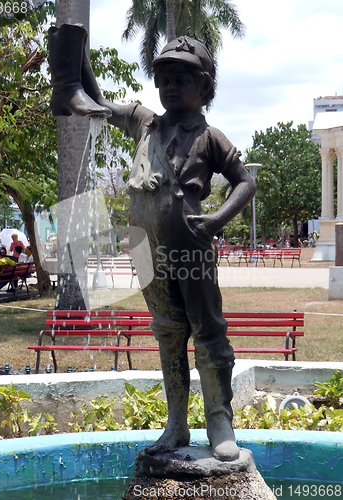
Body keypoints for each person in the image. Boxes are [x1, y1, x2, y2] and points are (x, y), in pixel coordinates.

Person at [48, 27, 255, 462]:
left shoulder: (210, 136)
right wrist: (75, 54)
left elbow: (245, 182)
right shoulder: (145, 123)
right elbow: (98, 104)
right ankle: (176, 425)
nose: (170, 87)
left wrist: (217, 220)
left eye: (182, 79)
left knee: (208, 330)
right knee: (166, 331)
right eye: (163, 79)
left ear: (204, 87)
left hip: (191, 248)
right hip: (145, 247)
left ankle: (219, 420)